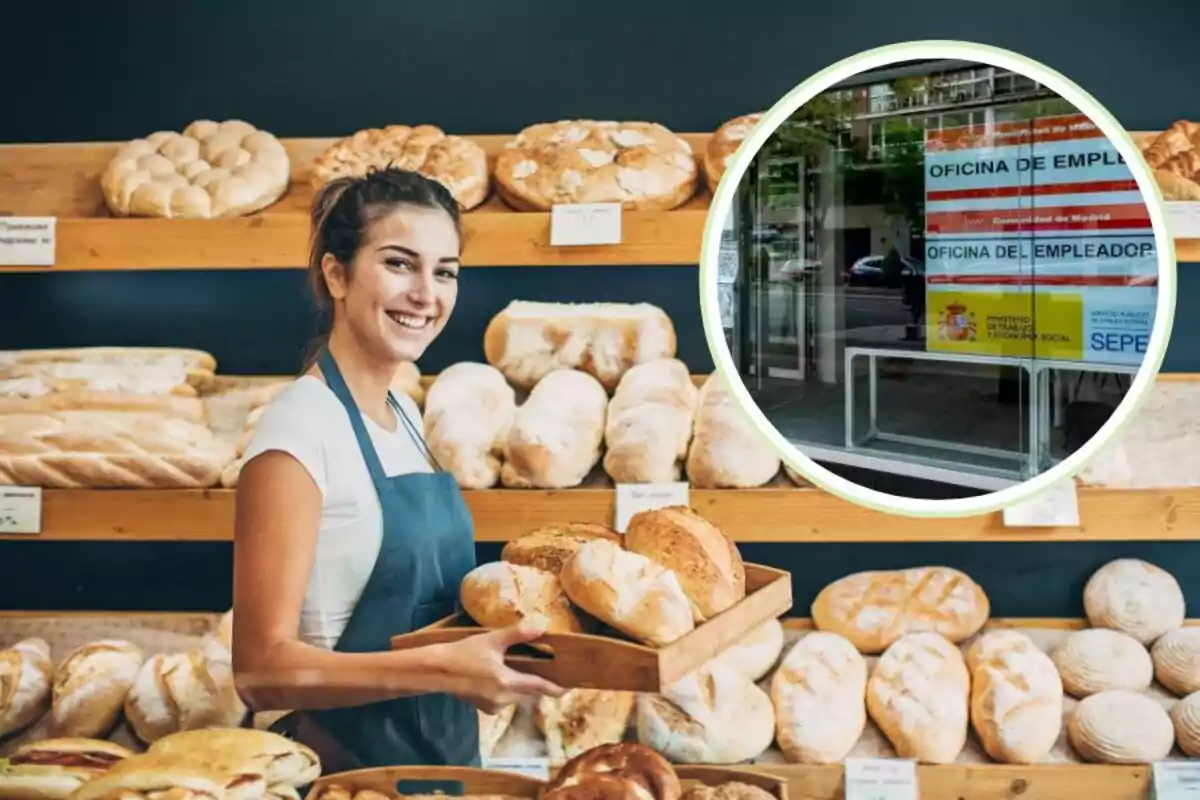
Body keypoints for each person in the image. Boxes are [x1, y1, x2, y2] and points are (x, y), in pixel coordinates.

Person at [229, 167, 564, 772]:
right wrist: (444, 669)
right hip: (351, 775)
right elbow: (259, 671)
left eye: (445, 272)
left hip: (444, 769)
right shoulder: (298, 430)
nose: (426, 294)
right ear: (336, 274)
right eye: (399, 264)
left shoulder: (405, 413)